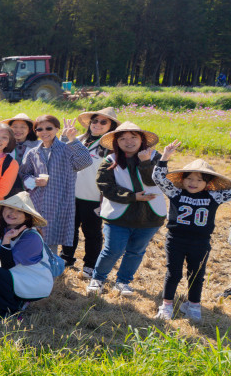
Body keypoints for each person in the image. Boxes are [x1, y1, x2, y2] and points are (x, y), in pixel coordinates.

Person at [151, 145, 231, 322]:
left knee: (197, 275)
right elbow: (158, 178)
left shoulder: (214, 196)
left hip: (201, 243)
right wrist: (164, 157)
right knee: (173, 273)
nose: (193, 182)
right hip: (176, 240)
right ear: (182, 179)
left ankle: (193, 306)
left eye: (199, 180)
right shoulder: (175, 192)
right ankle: (166, 306)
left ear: (207, 183)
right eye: (189, 178)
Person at [87, 123, 165, 296]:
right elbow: (105, 186)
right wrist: (133, 196)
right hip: (118, 215)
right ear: (116, 142)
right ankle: (98, 279)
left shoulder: (156, 157)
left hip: (150, 215)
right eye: (122, 138)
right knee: (112, 249)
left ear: (142, 139)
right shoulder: (110, 160)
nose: (128, 142)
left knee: (136, 251)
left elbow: (156, 182)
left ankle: (122, 282)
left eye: (133, 137)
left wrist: (145, 163)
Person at [19, 115, 93, 254]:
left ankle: (49, 273)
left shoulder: (66, 149)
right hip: (37, 203)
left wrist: (73, 139)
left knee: (50, 244)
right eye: (39, 129)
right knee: (33, 239)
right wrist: (33, 181)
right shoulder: (33, 153)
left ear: (57, 129)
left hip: (58, 203)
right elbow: (24, 174)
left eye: (49, 128)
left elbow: (85, 161)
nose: (44, 132)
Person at [0, 192, 54, 318]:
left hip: (31, 282)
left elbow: (8, 264)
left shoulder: (31, 237)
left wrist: (7, 239)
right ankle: (12, 299)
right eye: (10, 208)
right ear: (3, 210)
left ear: (27, 217)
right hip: (12, 277)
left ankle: (9, 311)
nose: (12, 213)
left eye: (19, 211)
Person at [62, 107, 119, 275]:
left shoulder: (112, 148)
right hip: (71, 194)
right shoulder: (77, 139)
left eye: (103, 122)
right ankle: (66, 257)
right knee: (69, 229)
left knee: (92, 233)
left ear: (111, 126)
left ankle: (90, 264)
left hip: (94, 197)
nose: (98, 124)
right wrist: (65, 137)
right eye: (95, 121)